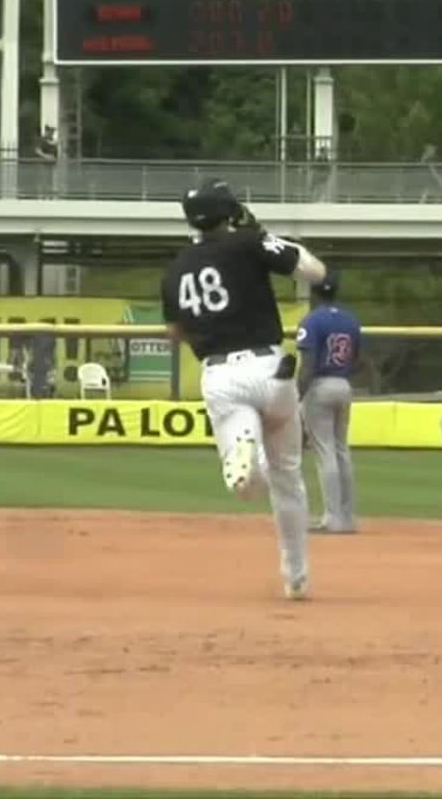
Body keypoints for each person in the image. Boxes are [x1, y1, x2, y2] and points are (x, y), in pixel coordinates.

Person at [162, 179, 329, 600]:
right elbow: (314, 271)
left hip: (220, 374)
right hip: (271, 367)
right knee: (288, 477)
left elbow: (174, 333)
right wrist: (263, 234)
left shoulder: (175, 269)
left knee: (246, 484)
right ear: (229, 210)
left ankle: (245, 457)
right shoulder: (248, 242)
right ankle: (295, 576)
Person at [297, 271, 362, 534]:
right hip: (343, 384)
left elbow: (308, 364)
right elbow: (357, 357)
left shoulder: (312, 320)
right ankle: (347, 517)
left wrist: (297, 395)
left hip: (319, 385)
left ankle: (332, 518)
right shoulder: (350, 320)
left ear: (314, 293)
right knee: (341, 450)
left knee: (325, 452)